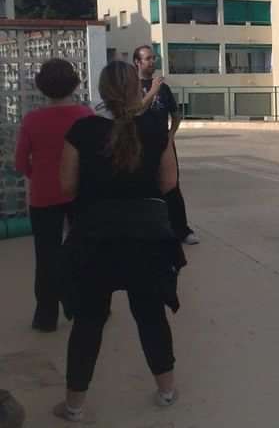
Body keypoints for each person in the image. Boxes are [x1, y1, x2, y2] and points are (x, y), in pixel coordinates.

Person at [53, 61, 186, 422]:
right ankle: (167, 390)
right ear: (135, 89)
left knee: (89, 321)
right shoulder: (155, 129)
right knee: (150, 315)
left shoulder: (81, 130)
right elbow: (169, 183)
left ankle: (74, 405)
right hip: (146, 237)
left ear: (102, 91)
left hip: (95, 238)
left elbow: (65, 186)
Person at [14, 58, 93, 332]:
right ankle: (87, 307)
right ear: (74, 83)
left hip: (44, 196)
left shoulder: (32, 120)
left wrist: (40, 177)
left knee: (45, 255)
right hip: (81, 194)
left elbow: (21, 161)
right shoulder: (86, 116)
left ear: (42, 86)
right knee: (84, 251)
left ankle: (46, 315)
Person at [133, 45, 199, 245]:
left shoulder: (165, 88)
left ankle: (182, 230)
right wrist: (152, 90)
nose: (152, 62)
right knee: (144, 186)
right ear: (137, 62)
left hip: (163, 143)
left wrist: (171, 135)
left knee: (172, 187)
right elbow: (136, 110)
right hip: (139, 144)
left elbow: (175, 115)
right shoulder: (131, 86)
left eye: (154, 58)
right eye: (147, 58)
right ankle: (148, 229)